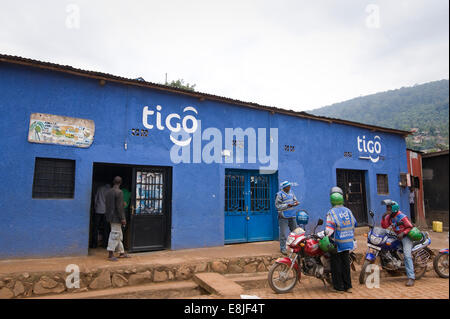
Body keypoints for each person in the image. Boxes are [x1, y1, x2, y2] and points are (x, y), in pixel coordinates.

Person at [325, 186, 357, 294]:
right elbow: (355, 223)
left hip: (337, 243)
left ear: (331, 201)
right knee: (345, 264)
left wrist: (324, 233)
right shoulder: (348, 211)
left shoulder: (331, 213)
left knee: (336, 265)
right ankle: (348, 286)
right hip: (348, 242)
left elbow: (329, 231)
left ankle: (338, 287)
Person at [381, 199, 415, 286]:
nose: (387, 210)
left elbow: (410, 226)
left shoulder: (402, 216)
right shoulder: (390, 217)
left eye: (389, 208)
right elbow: (384, 226)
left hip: (406, 237)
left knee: (407, 256)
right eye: (387, 208)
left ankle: (411, 277)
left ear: (394, 209)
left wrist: (403, 233)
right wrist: (383, 217)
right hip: (397, 236)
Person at [105, 176, 131, 261]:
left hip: (110, 216)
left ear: (113, 181)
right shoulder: (119, 192)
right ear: (120, 183)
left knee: (119, 235)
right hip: (116, 217)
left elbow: (110, 204)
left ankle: (122, 253)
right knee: (115, 235)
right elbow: (119, 207)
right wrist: (123, 218)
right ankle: (110, 254)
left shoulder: (108, 192)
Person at [275, 181, 299, 255]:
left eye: (289, 186)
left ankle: (295, 246)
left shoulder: (291, 193)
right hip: (283, 216)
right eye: (288, 187)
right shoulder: (279, 195)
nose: (289, 188)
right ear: (284, 187)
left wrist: (296, 203)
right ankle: (283, 248)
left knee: (295, 232)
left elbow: (295, 200)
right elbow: (277, 206)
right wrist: (287, 205)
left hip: (292, 215)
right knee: (283, 233)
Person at [92, 183, 111, 248]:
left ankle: (94, 244)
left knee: (95, 227)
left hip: (98, 210)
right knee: (106, 228)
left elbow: (95, 198)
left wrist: (95, 207)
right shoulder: (110, 190)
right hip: (106, 211)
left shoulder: (99, 188)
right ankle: (105, 244)